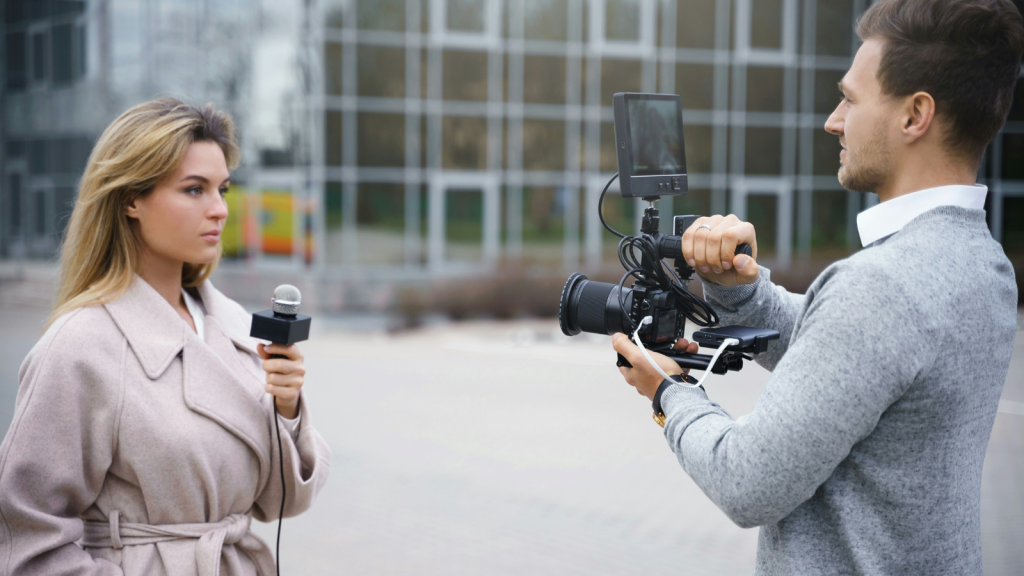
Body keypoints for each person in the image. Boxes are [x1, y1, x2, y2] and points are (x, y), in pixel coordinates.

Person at [612, 0, 1021, 574]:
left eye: (850, 99)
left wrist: (668, 393)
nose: (832, 120)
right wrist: (741, 288)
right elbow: (849, 354)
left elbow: (747, 482)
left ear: (915, 115)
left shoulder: (881, 287)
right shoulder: (985, 265)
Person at [0, 98, 330, 575]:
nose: (219, 210)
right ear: (131, 199)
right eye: (194, 190)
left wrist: (288, 409)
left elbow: (280, 501)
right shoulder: (79, 347)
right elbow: (24, 537)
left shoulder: (235, 325)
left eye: (222, 189)